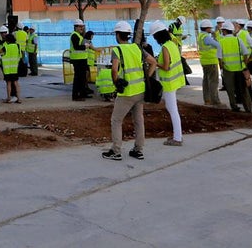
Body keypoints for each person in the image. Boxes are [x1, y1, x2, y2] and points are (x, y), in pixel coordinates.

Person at [102, 21, 158, 161]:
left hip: (126, 93)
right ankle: (138, 150)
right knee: (139, 121)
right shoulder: (137, 48)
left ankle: (116, 151)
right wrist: (147, 78)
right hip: (140, 91)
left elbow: (114, 70)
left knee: (116, 120)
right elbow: (153, 62)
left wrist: (117, 83)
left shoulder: (117, 50)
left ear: (118, 34)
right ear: (128, 35)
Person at [152, 21, 185, 147]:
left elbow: (166, 66)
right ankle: (177, 135)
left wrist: (155, 62)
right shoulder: (172, 44)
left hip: (169, 83)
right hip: (175, 81)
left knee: (172, 109)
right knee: (172, 109)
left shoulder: (165, 47)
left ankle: (177, 138)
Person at [218, 21, 252, 113]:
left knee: (230, 90)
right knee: (243, 89)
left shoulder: (221, 42)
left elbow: (220, 58)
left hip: (228, 70)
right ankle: (248, 107)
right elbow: (245, 53)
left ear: (224, 31)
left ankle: (234, 106)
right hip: (239, 68)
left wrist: (221, 68)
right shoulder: (238, 40)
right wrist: (244, 63)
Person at [197, 20, 223, 107]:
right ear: (207, 28)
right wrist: (215, 36)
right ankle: (215, 100)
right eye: (210, 28)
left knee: (206, 81)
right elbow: (218, 45)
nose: (211, 29)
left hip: (205, 61)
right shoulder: (206, 37)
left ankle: (207, 99)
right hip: (211, 61)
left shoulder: (200, 35)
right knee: (213, 82)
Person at [0, 31, 23, 103]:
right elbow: (20, 56)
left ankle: (9, 98)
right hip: (14, 68)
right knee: (16, 83)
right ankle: (19, 98)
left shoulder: (5, 47)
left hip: (7, 69)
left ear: (7, 40)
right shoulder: (17, 46)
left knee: (8, 83)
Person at [70, 19, 89, 102]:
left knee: (82, 78)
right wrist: (85, 46)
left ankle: (82, 94)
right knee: (78, 78)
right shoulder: (74, 35)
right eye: (80, 26)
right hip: (78, 60)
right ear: (76, 27)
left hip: (81, 59)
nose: (82, 28)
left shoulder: (79, 35)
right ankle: (76, 96)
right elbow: (76, 47)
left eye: (82, 26)